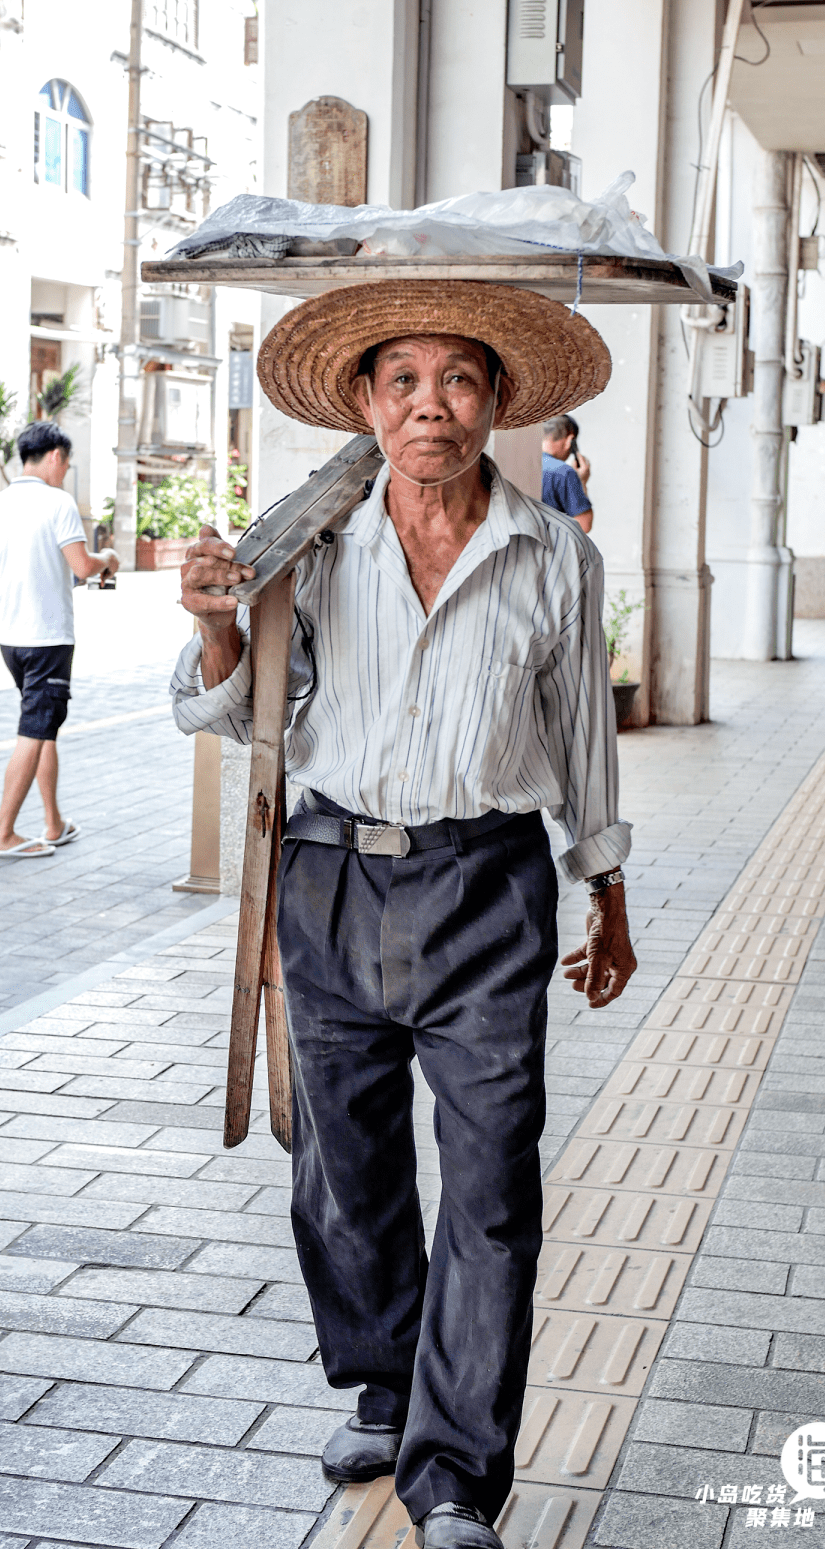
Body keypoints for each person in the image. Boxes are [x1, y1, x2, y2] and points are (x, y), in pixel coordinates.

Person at [173, 281, 636, 1549]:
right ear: (368, 402)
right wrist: (219, 622)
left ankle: (455, 1476)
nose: (431, 406)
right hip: (328, 876)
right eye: (404, 382)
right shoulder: (309, 541)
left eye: (460, 382)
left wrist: (607, 890)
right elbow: (219, 710)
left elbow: (581, 734)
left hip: (488, 883)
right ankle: (385, 1382)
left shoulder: (555, 555)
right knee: (344, 1163)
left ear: (495, 404)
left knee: (490, 1184)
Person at [0, 420, 119, 860]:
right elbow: (81, 566)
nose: (65, 471)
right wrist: (108, 559)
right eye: (67, 463)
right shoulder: (58, 503)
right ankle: (3, 834)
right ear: (56, 456)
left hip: (11, 639)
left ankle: (54, 823)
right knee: (33, 730)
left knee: (44, 731)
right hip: (48, 639)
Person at [541, 413, 592, 532]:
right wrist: (582, 482)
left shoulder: (525, 462)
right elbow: (584, 525)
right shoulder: (564, 472)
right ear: (570, 441)